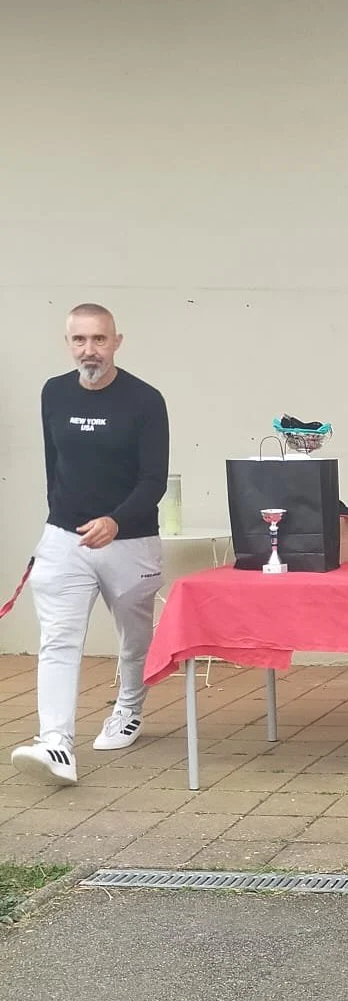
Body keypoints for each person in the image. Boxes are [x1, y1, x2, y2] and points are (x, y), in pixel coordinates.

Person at [11, 304, 169, 788]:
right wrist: (61, 522)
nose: (89, 350)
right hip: (64, 539)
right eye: (79, 340)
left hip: (131, 539)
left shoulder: (145, 400)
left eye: (99, 340)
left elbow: (153, 479)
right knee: (57, 639)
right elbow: (52, 464)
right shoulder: (54, 393)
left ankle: (128, 709)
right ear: (68, 343)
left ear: (117, 341)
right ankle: (55, 741)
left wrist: (115, 521)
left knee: (135, 636)